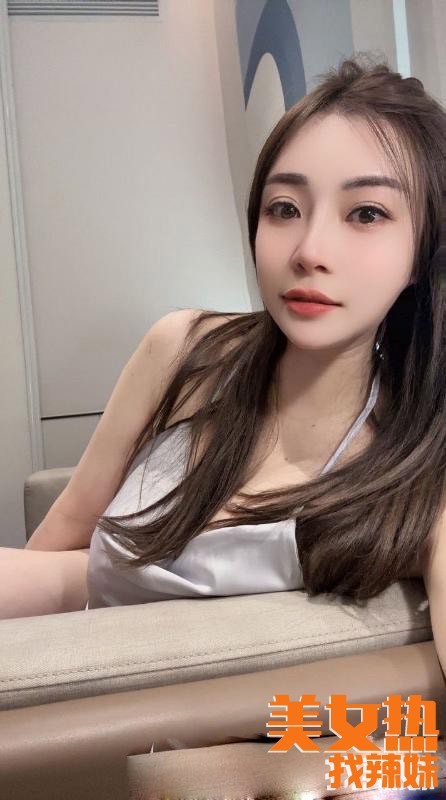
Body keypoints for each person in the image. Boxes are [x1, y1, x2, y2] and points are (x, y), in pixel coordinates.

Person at [2, 53, 446, 681]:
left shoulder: (419, 459)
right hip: (72, 681)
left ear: (424, 251)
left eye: (366, 213)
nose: (309, 251)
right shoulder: (187, 350)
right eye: (284, 208)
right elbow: (63, 542)